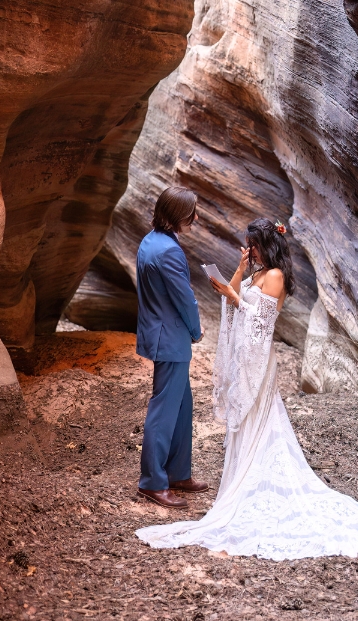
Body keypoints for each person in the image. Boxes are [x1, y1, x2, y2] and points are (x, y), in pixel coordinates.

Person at [136, 217, 358, 558]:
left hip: (259, 361)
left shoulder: (276, 276)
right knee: (244, 422)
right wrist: (236, 274)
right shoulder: (256, 273)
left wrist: (234, 297)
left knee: (259, 418)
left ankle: (257, 480)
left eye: (251, 245)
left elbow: (261, 324)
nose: (248, 249)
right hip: (245, 357)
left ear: (265, 244)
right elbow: (233, 297)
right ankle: (243, 476)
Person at [136, 186, 209, 509]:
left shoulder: (150, 241)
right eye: (192, 212)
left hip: (160, 332)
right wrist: (196, 330)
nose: (195, 217)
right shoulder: (168, 251)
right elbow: (184, 298)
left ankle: (178, 472)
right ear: (179, 215)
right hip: (171, 337)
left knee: (181, 405)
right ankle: (153, 481)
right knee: (164, 410)